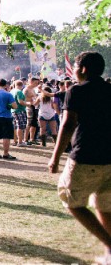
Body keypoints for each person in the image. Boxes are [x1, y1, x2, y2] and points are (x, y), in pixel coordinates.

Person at [49, 51, 111, 265]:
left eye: (75, 67)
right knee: (105, 205)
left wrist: (55, 158)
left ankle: (110, 245)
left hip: (86, 156)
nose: (74, 71)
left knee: (71, 200)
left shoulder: (76, 91)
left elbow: (68, 124)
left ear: (83, 69)